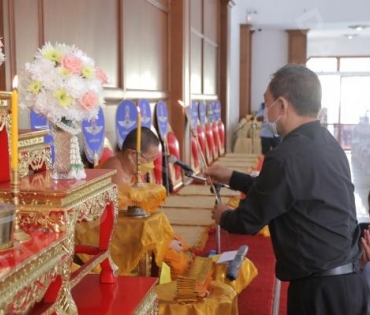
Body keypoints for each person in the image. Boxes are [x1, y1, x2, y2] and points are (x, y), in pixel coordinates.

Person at [205, 64, 367, 315]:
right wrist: (232, 177)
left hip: (319, 292)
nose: (266, 115)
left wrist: (224, 215)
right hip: (349, 282)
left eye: (267, 105)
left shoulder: (285, 156)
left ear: (281, 106)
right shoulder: (328, 143)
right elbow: (279, 191)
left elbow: (249, 220)